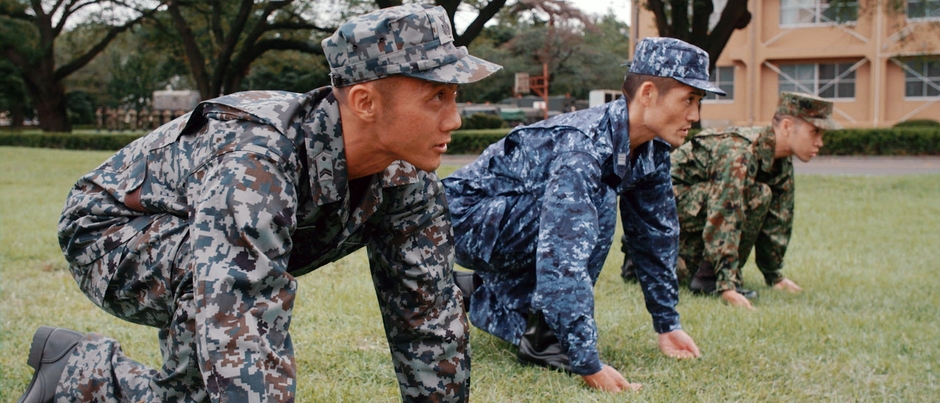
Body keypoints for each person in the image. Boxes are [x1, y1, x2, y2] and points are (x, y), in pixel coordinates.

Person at [16, 5, 500, 403]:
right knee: (223, 367)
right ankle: (81, 370)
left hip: (199, 245)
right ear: (365, 103)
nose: (454, 119)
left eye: (455, 96)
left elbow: (427, 314)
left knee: (199, 390)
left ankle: (69, 370)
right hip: (108, 234)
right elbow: (242, 319)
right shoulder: (259, 162)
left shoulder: (406, 177)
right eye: (437, 97)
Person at [444, 37, 724, 393]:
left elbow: (655, 234)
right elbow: (563, 255)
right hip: (462, 223)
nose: (695, 116)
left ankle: (473, 291)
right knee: (595, 204)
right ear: (648, 93)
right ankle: (546, 338)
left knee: (594, 203)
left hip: (506, 223)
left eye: (698, 102)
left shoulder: (652, 148)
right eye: (688, 99)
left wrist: (667, 324)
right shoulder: (584, 146)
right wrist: (585, 360)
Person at [623, 91, 838, 310]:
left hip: (690, 211)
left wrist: (774, 276)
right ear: (786, 126)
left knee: (759, 194)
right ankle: (662, 262)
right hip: (656, 209)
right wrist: (726, 285)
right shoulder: (740, 151)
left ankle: (688, 268)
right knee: (753, 195)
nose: (820, 142)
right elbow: (724, 212)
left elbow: (778, 221)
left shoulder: (780, 161)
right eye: (815, 132)